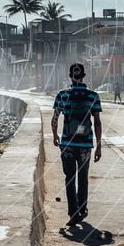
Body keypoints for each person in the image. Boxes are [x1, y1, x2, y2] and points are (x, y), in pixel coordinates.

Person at [51, 63, 102, 226]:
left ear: (70, 76)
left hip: (67, 143)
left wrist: (55, 136)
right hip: (85, 144)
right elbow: (98, 122)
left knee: (69, 178)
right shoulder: (93, 96)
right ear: (83, 75)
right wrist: (98, 146)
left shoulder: (62, 95)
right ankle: (83, 209)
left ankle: (73, 212)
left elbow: (55, 118)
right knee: (83, 177)